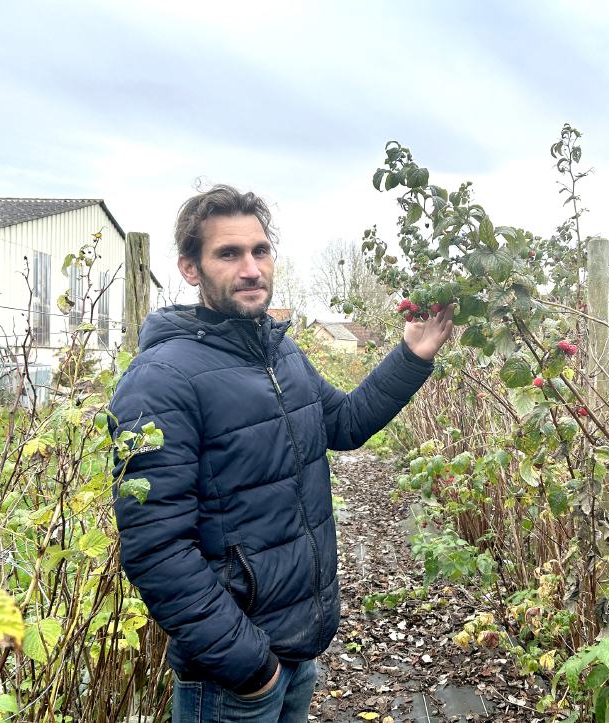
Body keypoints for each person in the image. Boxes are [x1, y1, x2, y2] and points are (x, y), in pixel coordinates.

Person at [109, 184, 454, 723]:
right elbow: (155, 548)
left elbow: (342, 423)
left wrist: (412, 354)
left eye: (260, 251)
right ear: (190, 269)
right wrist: (249, 666)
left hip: (297, 651)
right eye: (229, 254)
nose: (251, 268)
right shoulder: (161, 379)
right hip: (233, 677)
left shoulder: (279, 350)